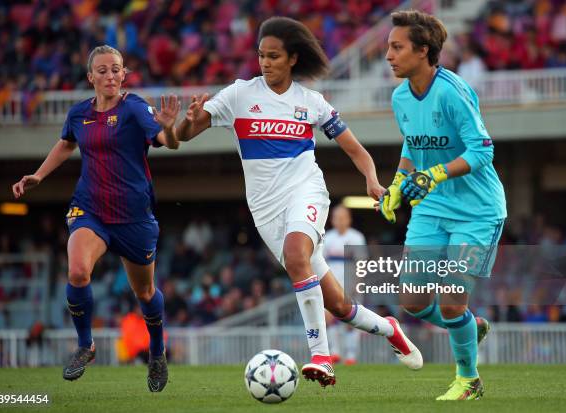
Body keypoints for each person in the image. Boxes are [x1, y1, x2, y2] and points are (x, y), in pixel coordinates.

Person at [176, 16, 422, 387]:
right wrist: (183, 122)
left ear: (292, 58)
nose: (265, 62)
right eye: (261, 55)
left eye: (273, 56)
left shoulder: (311, 103)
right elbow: (184, 135)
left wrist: (372, 179)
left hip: (306, 192)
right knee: (339, 306)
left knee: (296, 256)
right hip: (266, 211)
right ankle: (390, 329)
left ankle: (321, 358)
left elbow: (356, 150)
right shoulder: (239, 95)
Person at [12, 45, 180, 392]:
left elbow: (168, 140)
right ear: (91, 77)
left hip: (134, 217)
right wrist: (39, 175)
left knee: (145, 292)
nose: (110, 76)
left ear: (124, 74)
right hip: (90, 209)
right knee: (77, 271)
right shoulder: (78, 114)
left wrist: (171, 128)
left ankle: (157, 350)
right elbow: (65, 144)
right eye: (102, 70)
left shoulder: (134, 107)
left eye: (115, 69)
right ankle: (85, 345)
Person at [380, 11, 506, 400]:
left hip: (477, 210)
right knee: (413, 302)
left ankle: (469, 380)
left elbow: (483, 150)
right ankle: (470, 326)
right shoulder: (400, 96)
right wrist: (400, 181)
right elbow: (412, 143)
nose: (388, 55)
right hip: (432, 209)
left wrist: (435, 174)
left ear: (423, 51)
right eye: (388, 46)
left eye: (397, 47)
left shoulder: (453, 91)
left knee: (451, 303)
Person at [323, 205, 366, 365]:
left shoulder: (356, 237)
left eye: (343, 217)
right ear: (332, 220)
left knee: (352, 321)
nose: (340, 221)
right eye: (336, 217)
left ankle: (351, 356)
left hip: (351, 285)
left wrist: (357, 283)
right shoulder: (327, 237)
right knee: (329, 318)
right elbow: (321, 263)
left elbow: (361, 263)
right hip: (332, 285)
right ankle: (335, 352)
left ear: (348, 219)